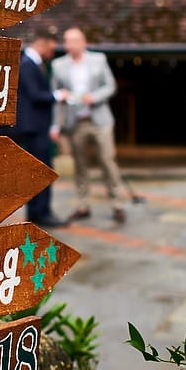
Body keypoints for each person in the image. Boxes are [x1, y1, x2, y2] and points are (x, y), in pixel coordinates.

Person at [51, 27, 129, 223]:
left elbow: (110, 86)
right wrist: (55, 126)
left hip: (99, 120)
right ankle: (83, 204)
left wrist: (92, 98)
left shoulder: (98, 60)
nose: (70, 45)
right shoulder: (58, 65)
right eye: (67, 41)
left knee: (107, 161)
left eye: (74, 40)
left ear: (83, 42)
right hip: (75, 122)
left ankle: (117, 204)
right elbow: (56, 98)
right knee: (80, 165)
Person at [11, 27, 66, 227]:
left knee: (38, 171)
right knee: (42, 171)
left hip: (37, 127)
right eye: (51, 48)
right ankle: (41, 213)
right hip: (33, 128)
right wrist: (58, 96)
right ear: (42, 44)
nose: (52, 53)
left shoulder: (34, 64)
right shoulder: (27, 64)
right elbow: (35, 95)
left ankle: (38, 212)